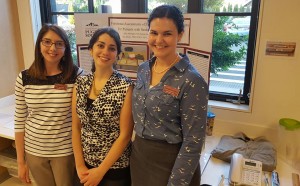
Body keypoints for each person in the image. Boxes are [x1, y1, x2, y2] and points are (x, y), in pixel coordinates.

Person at [130, 5, 209, 186]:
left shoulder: (191, 80)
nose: (159, 40)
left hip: (173, 164)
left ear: (180, 35)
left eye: (167, 34)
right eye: (153, 33)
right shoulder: (143, 69)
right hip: (140, 158)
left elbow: (193, 142)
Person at [14, 24, 84, 186]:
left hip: (65, 151)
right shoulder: (24, 78)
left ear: (66, 48)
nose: (53, 48)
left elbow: (81, 118)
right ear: (39, 44)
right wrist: (20, 162)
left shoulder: (77, 75)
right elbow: (19, 121)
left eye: (59, 43)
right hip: (34, 151)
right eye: (47, 42)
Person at [72, 27, 134, 186]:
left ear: (117, 55)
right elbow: (76, 127)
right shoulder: (80, 83)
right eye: (100, 45)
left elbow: (125, 135)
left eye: (112, 48)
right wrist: (79, 164)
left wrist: (100, 171)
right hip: (84, 166)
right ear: (91, 49)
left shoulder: (125, 86)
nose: (105, 51)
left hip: (114, 169)